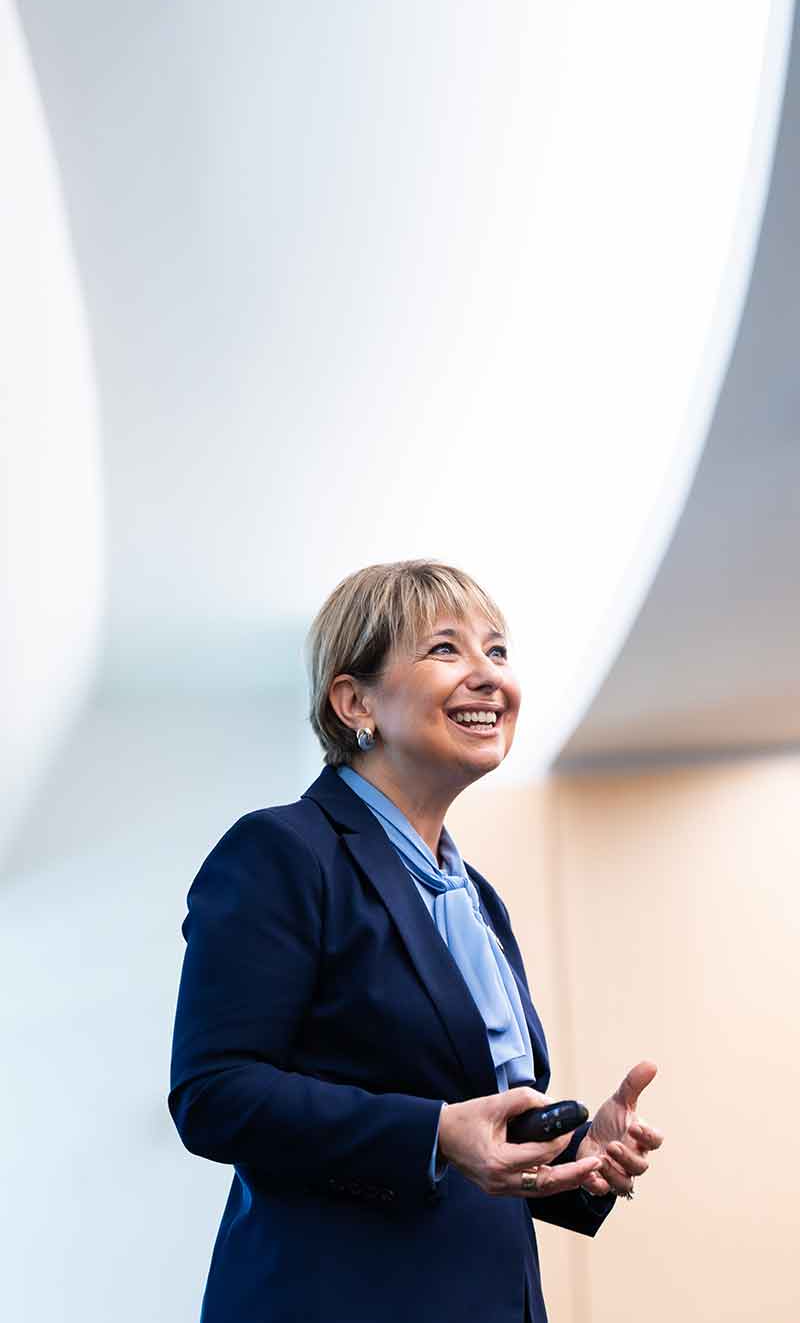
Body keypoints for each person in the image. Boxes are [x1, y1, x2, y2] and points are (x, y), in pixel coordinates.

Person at [168, 559, 663, 1323]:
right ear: (354, 699)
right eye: (446, 649)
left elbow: (478, 1130)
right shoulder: (282, 852)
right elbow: (214, 1093)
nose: (488, 675)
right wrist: (432, 1132)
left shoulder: (476, 899)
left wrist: (576, 1158)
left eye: (498, 651)